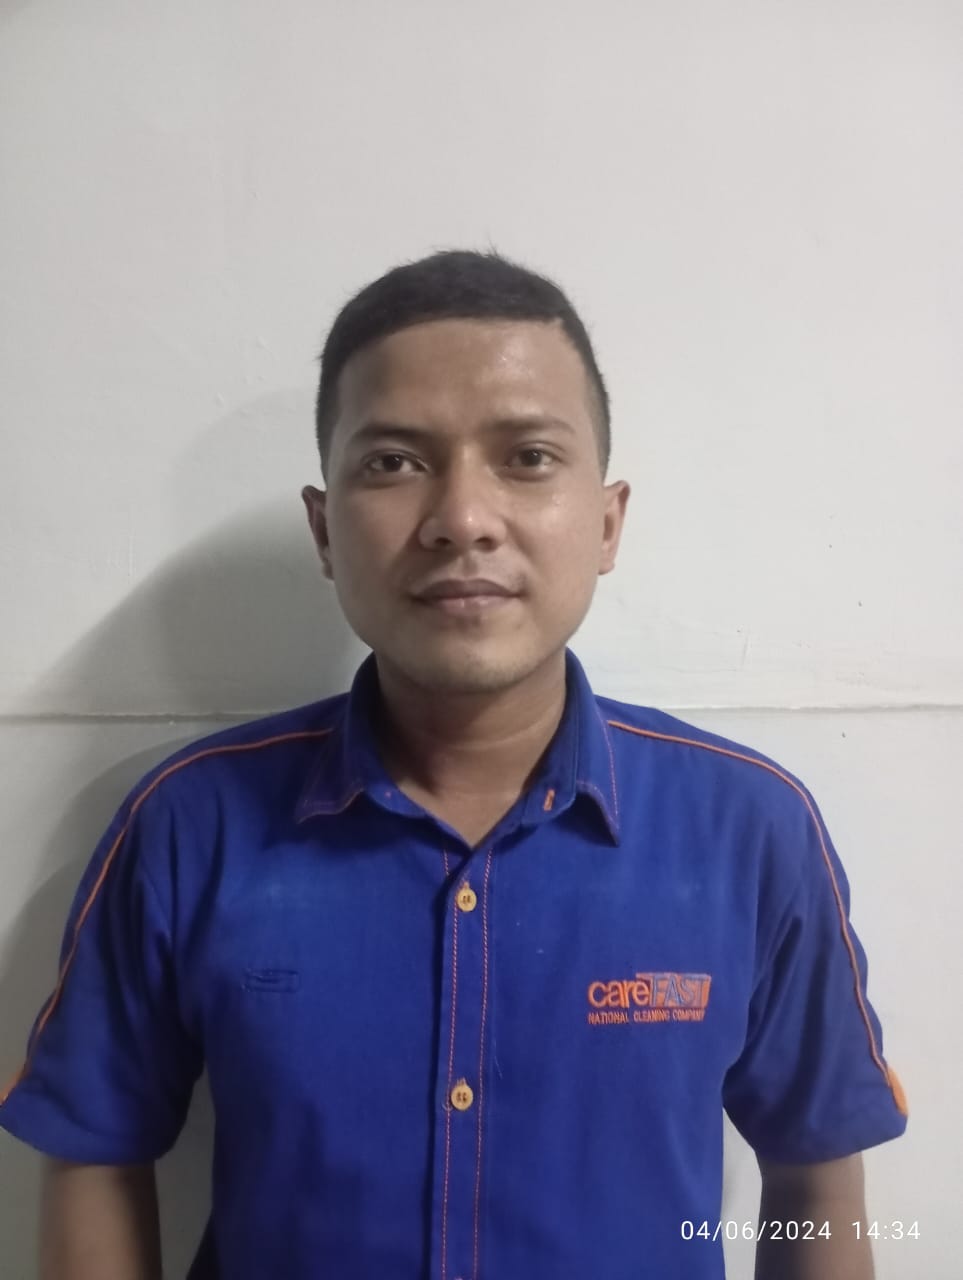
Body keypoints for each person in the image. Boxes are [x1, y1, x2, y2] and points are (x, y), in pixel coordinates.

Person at [0, 248, 907, 1279]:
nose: (463, 519)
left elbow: (816, 1180)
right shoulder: (188, 823)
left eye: (527, 456)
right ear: (324, 529)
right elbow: (95, 1156)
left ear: (606, 523)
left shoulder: (749, 828)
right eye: (394, 461)